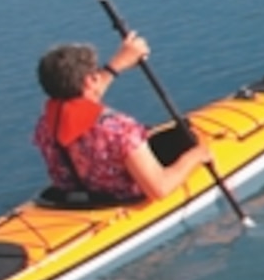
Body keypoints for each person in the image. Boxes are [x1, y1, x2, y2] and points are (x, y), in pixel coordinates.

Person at [33, 33, 214, 204]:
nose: (99, 75)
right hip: (125, 198)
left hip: (78, 197)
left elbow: (84, 97)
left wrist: (119, 63)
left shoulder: (47, 123)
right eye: (96, 72)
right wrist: (196, 155)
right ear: (89, 81)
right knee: (185, 140)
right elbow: (159, 189)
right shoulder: (120, 129)